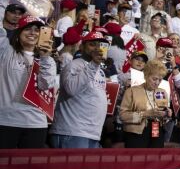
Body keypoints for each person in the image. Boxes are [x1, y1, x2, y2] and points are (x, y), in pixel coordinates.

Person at [0, 17, 57, 148]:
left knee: (28, 168)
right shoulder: (5, 52)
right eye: (27, 29)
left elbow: (44, 86)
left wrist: (45, 58)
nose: (32, 33)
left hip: (35, 124)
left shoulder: (48, 61)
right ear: (18, 32)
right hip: (6, 121)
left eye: (37, 30)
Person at [50, 30, 110, 148]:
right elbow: (71, 89)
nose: (97, 49)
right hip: (72, 132)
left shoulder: (100, 71)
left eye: (100, 45)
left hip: (92, 133)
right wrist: (93, 65)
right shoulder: (73, 65)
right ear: (81, 46)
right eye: (92, 44)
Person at [117, 59, 171, 148]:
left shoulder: (163, 92)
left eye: (160, 80)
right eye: (154, 79)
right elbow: (123, 116)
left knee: (155, 160)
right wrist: (145, 114)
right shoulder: (131, 91)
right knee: (138, 160)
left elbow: (164, 116)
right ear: (146, 76)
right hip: (136, 133)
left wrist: (167, 114)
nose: (157, 83)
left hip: (157, 131)